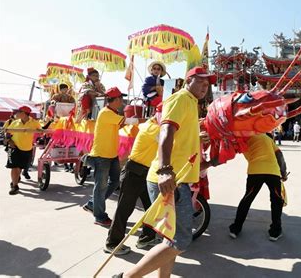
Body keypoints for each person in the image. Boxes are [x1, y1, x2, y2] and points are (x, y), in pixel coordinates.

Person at [119, 67, 217, 278]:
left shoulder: (191, 103)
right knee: (181, 240)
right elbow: (166, 131)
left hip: (177, 178)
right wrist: (165, 170)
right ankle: (127, 277)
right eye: (201, 82)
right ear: (189, 80)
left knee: (170, 239)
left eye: (208, 85)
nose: (205, 87)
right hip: (169, 179)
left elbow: (181, 138)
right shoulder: (180, 98)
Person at [104, 115, 161, 255]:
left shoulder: (152, 125)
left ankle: (146, 238)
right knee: (124, 210)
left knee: (151, 208)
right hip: (134, 173)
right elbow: (172, 140)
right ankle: (112, 243)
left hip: (145, 173)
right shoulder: (152, 128)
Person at [82, 87, 138, 227]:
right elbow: (129, 122)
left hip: (111, 155)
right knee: (100, 187)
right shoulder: (106, 113)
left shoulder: (112, 113)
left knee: (114, 182)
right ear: (117, 99)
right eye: (121, 99)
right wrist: (147, 121)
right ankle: (99, 216)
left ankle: (93, 204)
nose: (122, 102)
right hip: (102, 156)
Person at [229, 134, 288, 241]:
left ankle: (235, 229)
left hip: (255, 171)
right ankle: (275, 231)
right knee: (276, 201)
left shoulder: (244, 139)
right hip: (272, 172)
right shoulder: (268, 139)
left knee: (247, 199)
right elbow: (279, 155)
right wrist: (283, 173)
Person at [4, 106, 42, 195]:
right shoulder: (15, 123)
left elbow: (41, 132)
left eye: (18, 112)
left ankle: (16, 179)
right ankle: (15, 186)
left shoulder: (34, 123)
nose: (16, 114)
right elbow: (7, 133)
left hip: (27, 148)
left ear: (24, 113)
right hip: (14, 147)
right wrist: (9, 141)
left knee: (20, 167)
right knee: (14, 167)